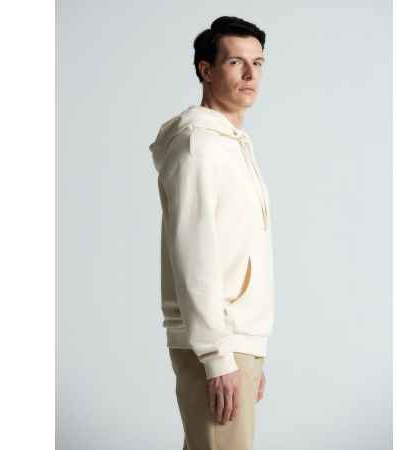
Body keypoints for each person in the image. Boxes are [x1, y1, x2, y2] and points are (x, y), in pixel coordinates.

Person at [149, 16, 275, 450]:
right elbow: (195, 255)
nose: (250, 74)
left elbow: (237, 251)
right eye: (236, 62)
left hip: (233, 340)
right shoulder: (199, 146)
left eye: (258, 63)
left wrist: (250, 349)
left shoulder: (232, 144)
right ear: (206, 70)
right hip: (216, 344)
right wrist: (220, 357)